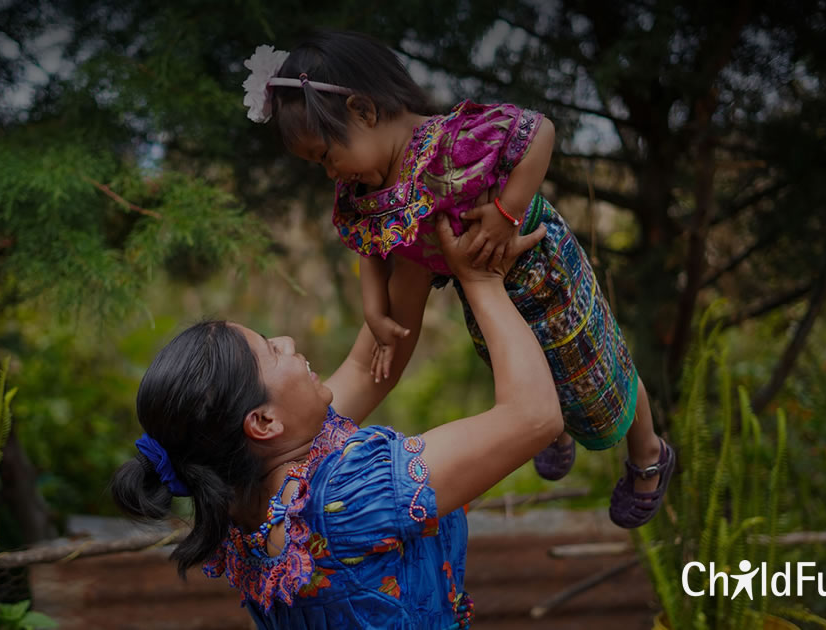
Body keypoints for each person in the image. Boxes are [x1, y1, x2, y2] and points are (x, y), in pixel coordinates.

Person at [240, 31, 674, 527]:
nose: (330, 174)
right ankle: (554, 430)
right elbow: (370, 243)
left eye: (324, 156)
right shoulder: (368, 183)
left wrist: (505, 215)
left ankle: (648, 454)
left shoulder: (450, 143)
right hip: (486, 290)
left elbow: (540, 133)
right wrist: (374, 309)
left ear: (363, 111)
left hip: (544, 271)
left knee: (599, 363)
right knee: (512, 362)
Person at [112, 217, 561, 628]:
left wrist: (417, 232)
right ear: (263, 421)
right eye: (271, 350)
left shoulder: (248, 493)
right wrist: (481, 279)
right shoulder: (344, 499)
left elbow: (372, 368)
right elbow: (533, 416)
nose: (287, 342)